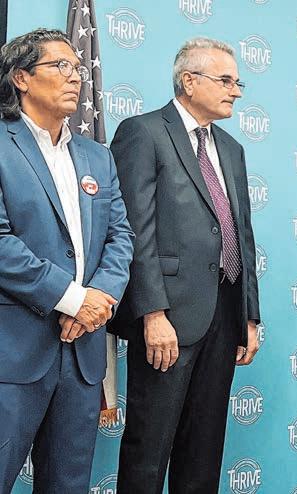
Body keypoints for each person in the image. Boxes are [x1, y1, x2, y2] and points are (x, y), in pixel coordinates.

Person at [110, 37, 261, 493]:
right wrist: (152, 312)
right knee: (149, 451)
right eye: (226, 80)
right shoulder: (143, 132)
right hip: (168, 319)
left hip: (223, 317)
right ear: (189, 81)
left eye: (238, 82)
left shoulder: (231, 148)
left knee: (203, 454)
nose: (236, 91)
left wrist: (249, 316)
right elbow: (135, 230)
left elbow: (242, 234)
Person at [0, 28, 134, 492]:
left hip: (81, 355)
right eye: (60, 66)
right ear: (21, 77)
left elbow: (121, 237)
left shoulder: (97, 157)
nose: (75, 77)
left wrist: (99, 297)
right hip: (13, 353)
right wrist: (73, 299)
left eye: (77, 68)